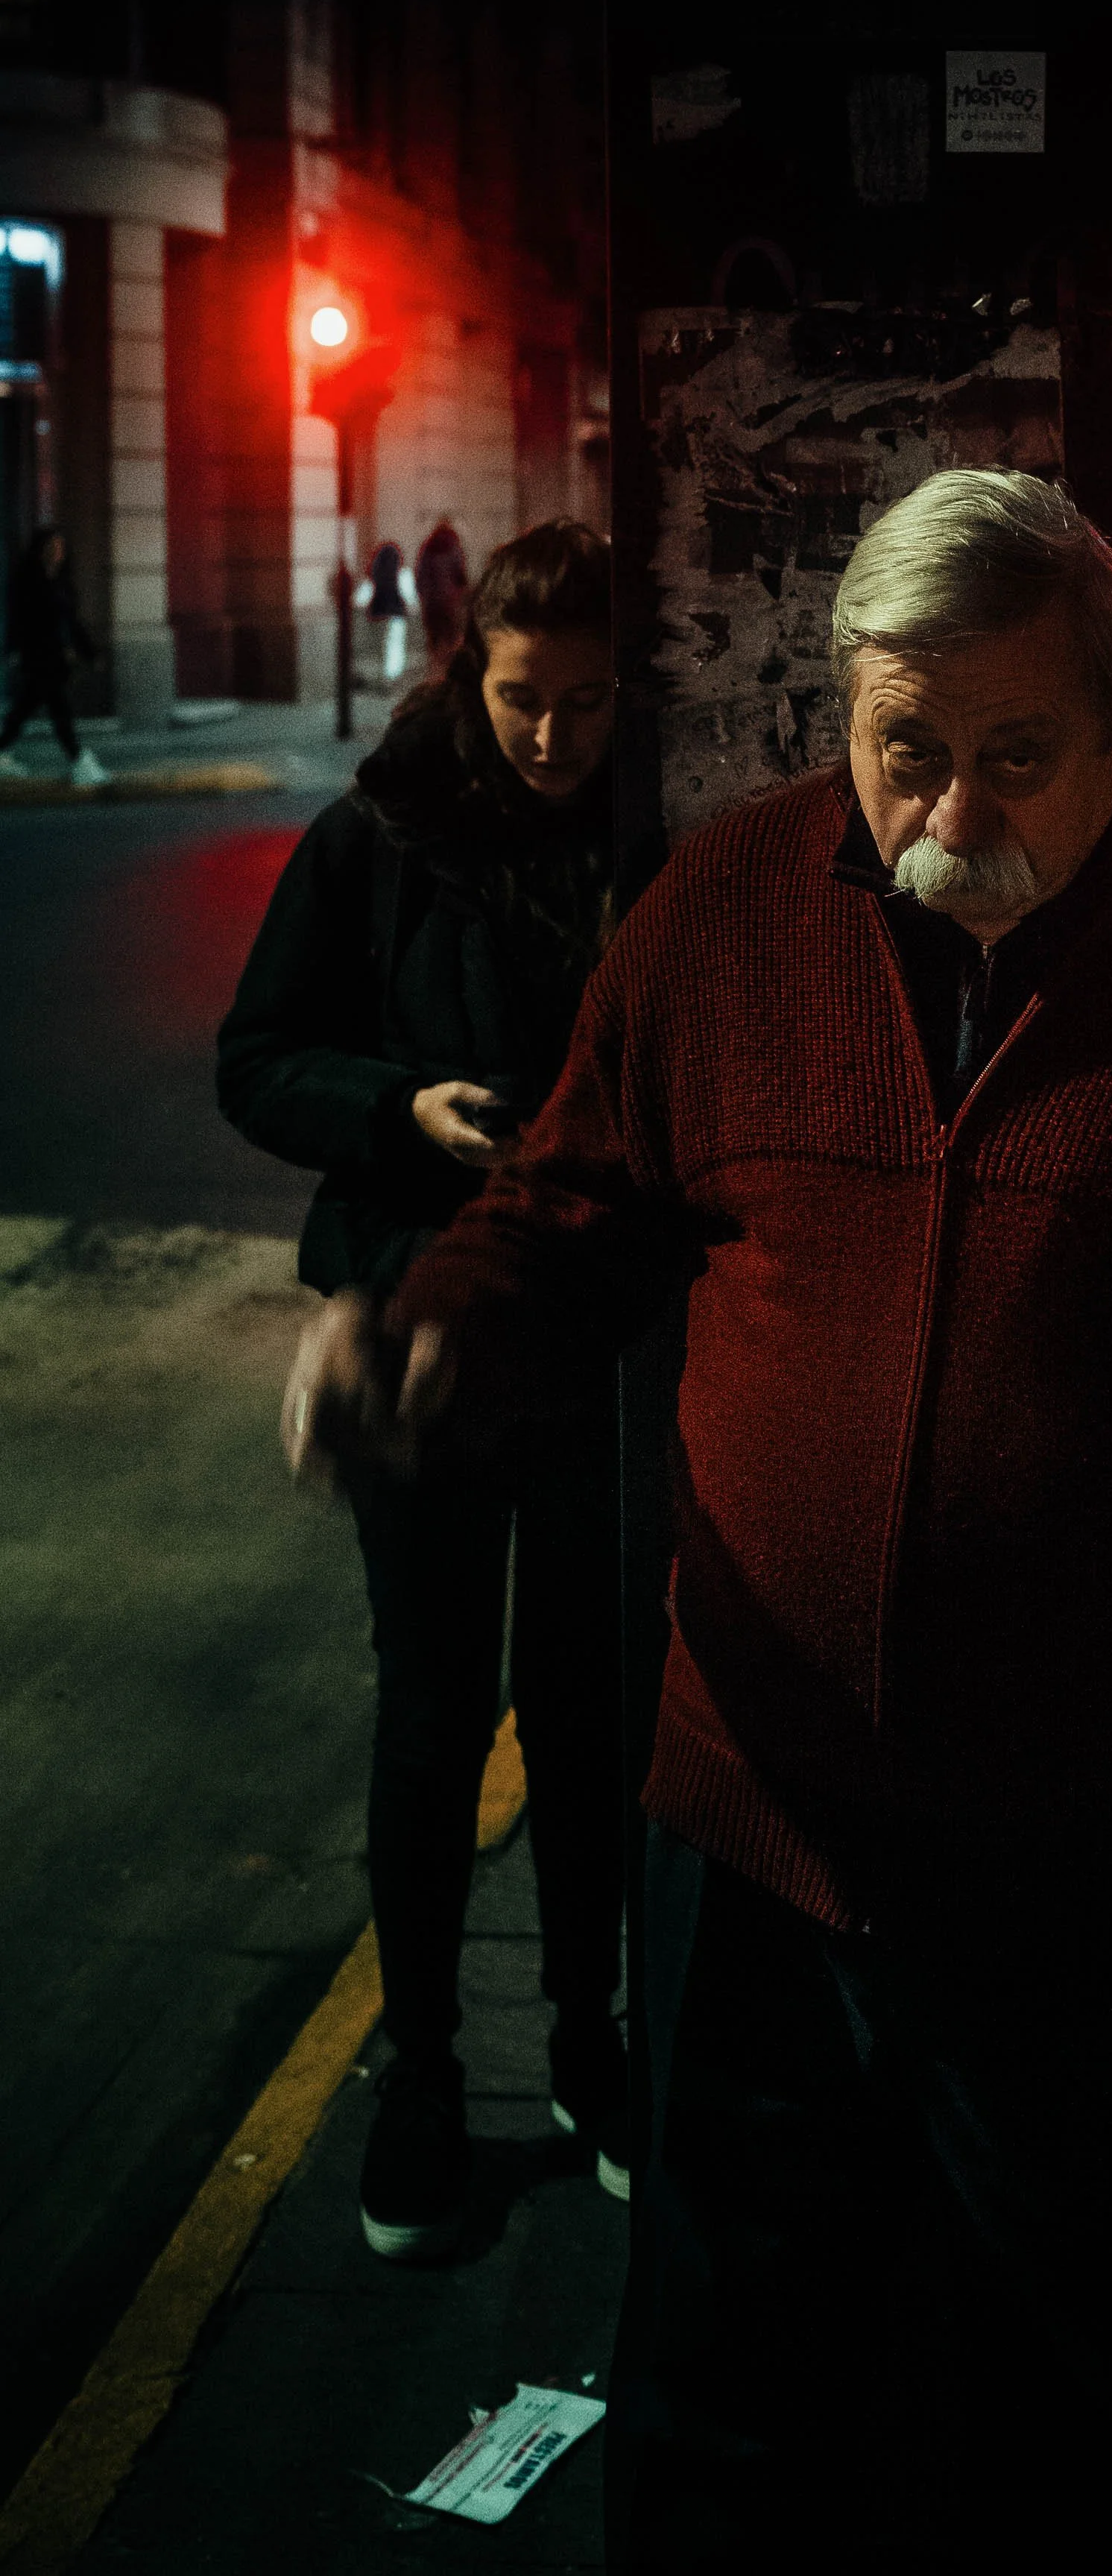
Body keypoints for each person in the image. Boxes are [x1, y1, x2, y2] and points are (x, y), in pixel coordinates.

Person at [282, 470, 1112, 2572]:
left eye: (1014, 755)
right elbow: (568, 1204)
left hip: (1105, 1874)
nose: (947, 811)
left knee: (1084, 2426)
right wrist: (434, 1335)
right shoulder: (731, 911)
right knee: (728, 2416)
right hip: (753, 1853)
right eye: (900, 747)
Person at [218, 519, 628, 2258]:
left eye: (590, 706)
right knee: (433, 1710)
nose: (553, 740)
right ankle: (422, 2075)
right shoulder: (376, 832)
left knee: (593, 1713)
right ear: (470, 672)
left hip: (597, 1340)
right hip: (416, 1335)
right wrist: (401, 1110)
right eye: (527, 700)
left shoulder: (649, 839)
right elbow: (255, 1060)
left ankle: (589, 2054)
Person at [0, 526, 107, 786]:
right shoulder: (30, 581)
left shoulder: (62, 583)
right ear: (40, 550)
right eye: (51, 547)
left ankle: (3, 749)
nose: (56, 552)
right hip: (40, 657)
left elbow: (73, 623)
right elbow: (21, 621)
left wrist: (89, 653)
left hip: (55, 659)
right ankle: (80, 761)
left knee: (23, 711)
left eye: (59, 547)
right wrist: (15, 650)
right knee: (60, 711)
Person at [356, 538, 417, 683]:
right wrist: (412, 606)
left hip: (378, 613)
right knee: (395, 645)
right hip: (397, 614)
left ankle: (380, 675)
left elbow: (360, 600)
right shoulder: (402, 573)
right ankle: (392, 675)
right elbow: (409, 596)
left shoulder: (374, 573)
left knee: (378, 647)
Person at [415, 520, 470, 677]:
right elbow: (460, 574)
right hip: (449, 600)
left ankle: (434, 668)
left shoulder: (428, 549)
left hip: (431, 601)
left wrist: (424, 595)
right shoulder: (453, 548)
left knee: (434, 635)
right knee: (450, 635)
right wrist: (460, 593)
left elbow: (420, 576)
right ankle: (447, 670)